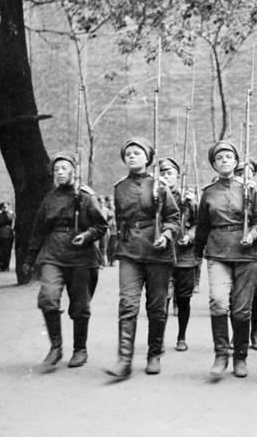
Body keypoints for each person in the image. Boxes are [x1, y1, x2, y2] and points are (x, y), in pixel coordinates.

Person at [23, 152, 108, 369]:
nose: (60, 172)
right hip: (54, 255)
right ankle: (55, 347)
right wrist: (31, 258)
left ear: (74, 170)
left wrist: (87, 235)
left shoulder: (87, 196)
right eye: (56, 169)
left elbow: (101, 226)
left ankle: (80, 350)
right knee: (48, 298)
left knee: (80, 306)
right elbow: (38, 232)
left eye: (64, 168)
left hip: (81, 258)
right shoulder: (49, 200)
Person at [105, 137, 180, 379]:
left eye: (137, 153)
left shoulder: (159, 186)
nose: (132, 156)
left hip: (158, 251)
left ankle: (154, 354)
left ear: (148, 158)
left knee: (156, 307)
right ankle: (124, 360)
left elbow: (174, 218)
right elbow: (119, 219)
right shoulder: (119, 187)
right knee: (127, 304)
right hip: (129, 252)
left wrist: (167, 235)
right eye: (128, 153)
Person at [194, 141, 257, 378]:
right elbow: (202, 225)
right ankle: (221, 354)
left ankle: (240, 357)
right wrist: (198, 251)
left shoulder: (250, 190)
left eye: (229, 157)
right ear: (214, 164)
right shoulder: (208, 192)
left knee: (242, 309)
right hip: (218, 252)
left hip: (246, 254)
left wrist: (252, 234)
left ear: (236, 162)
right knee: (218, 301)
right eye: (219, 158)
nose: (224, 161)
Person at [158, 156, 198, 351]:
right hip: (162, 253)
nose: (166, 177)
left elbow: (199, 223)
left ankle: (181, 337)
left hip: (184, 255)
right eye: (163, 173)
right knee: (162, 298)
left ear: (178, 176)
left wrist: (190, 236)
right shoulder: (156, 196)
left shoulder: (188, 200)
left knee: (183, 298)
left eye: (170, 173)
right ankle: (159, 338)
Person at [233, 158, 257, 351]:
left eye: (248, 173)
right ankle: (237, 335)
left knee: (256, 296)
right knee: (233, 297)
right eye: (239, 174)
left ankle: (254, 332)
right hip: (234, 250)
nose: (244, 177)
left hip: (256, 251)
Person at [0, 202, 14, 272]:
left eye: (6, 207)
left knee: (7, 251)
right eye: (3, 207)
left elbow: (11, 222)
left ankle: (6, 266)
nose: (5, 208)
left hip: (8, 235)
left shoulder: (11, 215)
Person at [105, 195, 118, 266]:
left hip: (114, 230)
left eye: (111, 200)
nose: (110, 202)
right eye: (108, 201)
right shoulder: (105, 209)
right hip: (107, 229)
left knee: (113, 245)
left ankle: (113, 260)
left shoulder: (115, 209)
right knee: (107, 246)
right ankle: (109, 260)